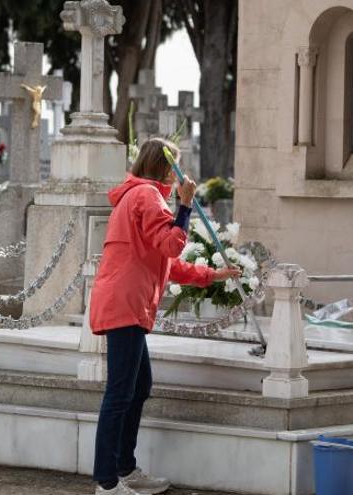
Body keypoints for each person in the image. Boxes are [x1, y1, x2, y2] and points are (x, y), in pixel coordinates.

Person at [89, 138, 240, 495]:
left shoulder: (139, 196)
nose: (179, 174)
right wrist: (185, 206)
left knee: (138, 387)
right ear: (165, 166)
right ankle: (107, 482)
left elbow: (166, 262)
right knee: (120, 393)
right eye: (176, 166)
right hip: (126, 304)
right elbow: (172, 245)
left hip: (126, 303)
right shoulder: (147, 196)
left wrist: (211, 275)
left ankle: (124, 468)